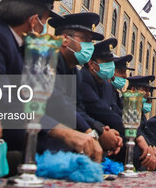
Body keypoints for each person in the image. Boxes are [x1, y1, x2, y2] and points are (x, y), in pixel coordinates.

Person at [0, 0, 101, 162]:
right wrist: (62, 132)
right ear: (34, 21)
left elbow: (47, 98)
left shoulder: (18, 46)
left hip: (15, 127)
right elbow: (4, 103)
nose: (43, 29)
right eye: (44, 22)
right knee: (67, 150)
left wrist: (84, 131)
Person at [49, 13, 122, 158]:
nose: (89, 46)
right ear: (64, 39)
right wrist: (94, 132)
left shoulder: (74, 71)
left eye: (91, 42)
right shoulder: (47, 61)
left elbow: (77, 109)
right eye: (85, 39)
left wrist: (99, 129)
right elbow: (57, 106)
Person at [125, 75, 156, 170]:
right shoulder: (126, 105)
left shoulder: (139, 111)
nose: (148, 93)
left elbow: (146, 132)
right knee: (145, 158)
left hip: (139, 144)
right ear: (133, 89)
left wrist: (152, 146)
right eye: (145, 90)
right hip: (128, 144)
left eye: (148, 90)